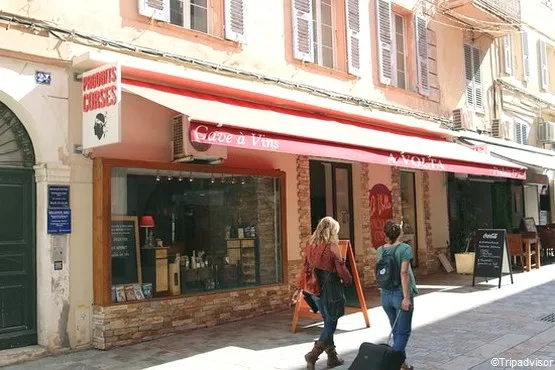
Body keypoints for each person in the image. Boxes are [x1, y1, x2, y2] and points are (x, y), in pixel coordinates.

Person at [293, 216, 352, 369]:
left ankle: (332, 357)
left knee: (327, 320)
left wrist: (299, 288)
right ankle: (313, 355)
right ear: (332, 230)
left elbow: (305, 267)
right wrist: (348, 280)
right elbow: (340, 269)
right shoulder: (332, 246)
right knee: (332, 323)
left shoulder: (310, 245)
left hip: (314, 289)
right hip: (330, 287)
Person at [376, 219, 418, 370]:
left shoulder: (380, 250)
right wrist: (406, 298)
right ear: (399, 232)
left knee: (396, 332)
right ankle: (390, 364)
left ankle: (403, 365)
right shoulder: (405, 248)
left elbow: (381, 273)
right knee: (403, 333)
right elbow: (404, 272)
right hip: (400, 294)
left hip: (385, 295)